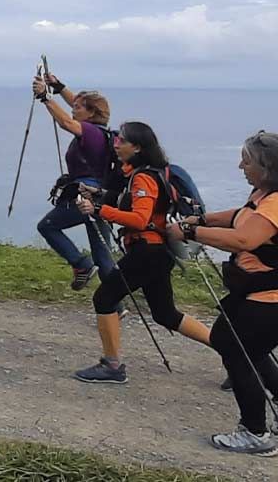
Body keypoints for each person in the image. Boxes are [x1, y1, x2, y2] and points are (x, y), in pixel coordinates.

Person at [165, 131, 278, 457]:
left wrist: (191, 231)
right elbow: (241, 215)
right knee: (228, 340)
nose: (240, 166)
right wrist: (202, 218)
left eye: (246, 161)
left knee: (237, 352)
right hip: (261, 295)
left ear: (266, 165)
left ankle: (255, 433)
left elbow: (243, 239)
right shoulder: (266, 193)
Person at [70, 122, 211, 384]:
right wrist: (99, 194)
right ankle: (231, 350)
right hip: (157, 252)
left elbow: (138, 218)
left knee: (104, 298)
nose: (116, 144)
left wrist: (98, 210)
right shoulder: (148, 173)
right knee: (165, 314)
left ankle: (112, 366)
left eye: (121, 140)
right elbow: (139, 207)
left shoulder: (143, 177)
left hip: (147, 252)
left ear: (136, 147)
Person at [31, 72, 116, 290]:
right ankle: (115, 306)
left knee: (48, 226)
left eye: (78, 107)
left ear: (90, 114)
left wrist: (45, 98)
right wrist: (58, 87)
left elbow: (66, 122)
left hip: (85, 194)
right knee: (103, 255)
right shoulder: (101, 132)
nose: (73, 108)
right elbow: (75, 108)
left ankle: (81, 264)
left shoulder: (88, 131)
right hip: (101, 195)